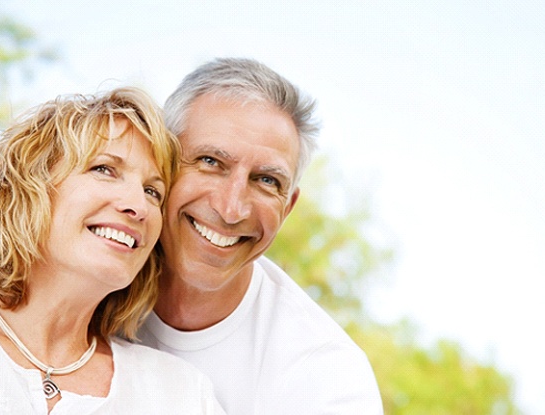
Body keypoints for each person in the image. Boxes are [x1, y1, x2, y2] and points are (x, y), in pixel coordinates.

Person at [0, 87, 225, 414]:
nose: (138, 207)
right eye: (105, 169)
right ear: (30, 186)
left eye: (152, 191)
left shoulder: (181, 392)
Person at [136, 58, 384, 414]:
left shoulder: (326, 377)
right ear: (160, 160)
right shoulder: (85, 284)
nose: (231, 208)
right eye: (210, 162)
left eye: (267, 181)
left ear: (288, 206)